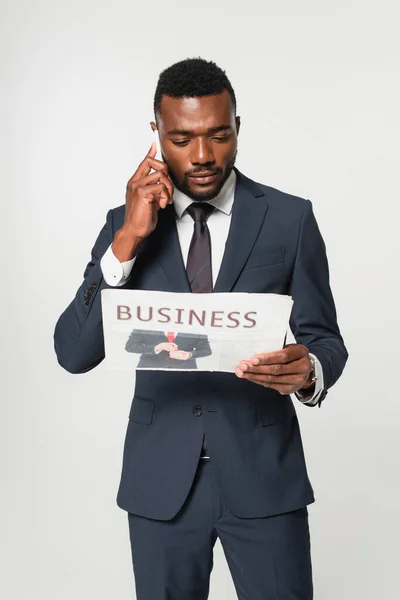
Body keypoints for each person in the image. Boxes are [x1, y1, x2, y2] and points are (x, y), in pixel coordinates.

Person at [54, 58, 348, 600]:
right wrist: (126, 245)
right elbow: (73, 352)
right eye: (183, 139)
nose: (204, 155)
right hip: (160, 481)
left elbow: (326, 339)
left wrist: (309, 370)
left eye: (219, 134)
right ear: (156, 135)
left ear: (238, 124)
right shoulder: (124, 226)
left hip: (265, 478)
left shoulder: (289, 219)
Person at [125, 329, 211, 369]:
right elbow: (130, 346)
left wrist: (189, 354)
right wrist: (156, 348)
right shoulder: (145, 323)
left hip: (184, 372)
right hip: (150, 371)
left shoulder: (196, 325)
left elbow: (206, 350)